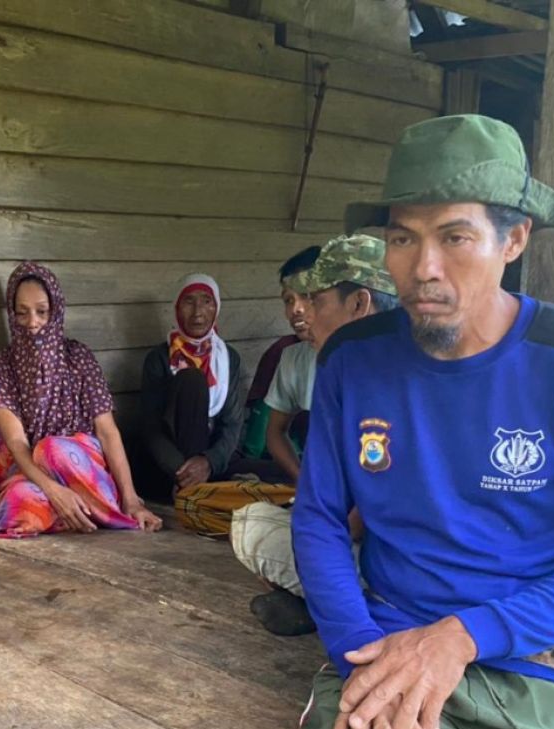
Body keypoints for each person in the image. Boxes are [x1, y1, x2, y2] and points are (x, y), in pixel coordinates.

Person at [294, 114, 554, 729]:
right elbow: (319, 516)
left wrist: (464, 636)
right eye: (403, 238)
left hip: (537, 660)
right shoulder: (353, 359)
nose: (423, 269)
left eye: (455, 236)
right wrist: (356, 650)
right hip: (387, 643)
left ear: (515, 238)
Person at [233, 234, 396, 637]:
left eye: (315, 301)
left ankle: (335, 604)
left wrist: (328, 528)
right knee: (258, 519)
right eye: (292, 300)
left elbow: (373, 502)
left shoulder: (385, 378)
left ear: (359, 304)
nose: (302, 313)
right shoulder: (349, 368)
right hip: (380, 541)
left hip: (403, 567)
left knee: (257, 530)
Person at [0, 261, 162, 538]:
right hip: (28, 470)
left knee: (52, 449)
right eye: (22, 313)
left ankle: (112, 510)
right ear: (11, 314)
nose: (32, 323)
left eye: (42, 312)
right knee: (19, 504)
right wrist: (54, 491)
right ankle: (85, 509)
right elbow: (17, 443)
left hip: (77, 463)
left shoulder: (78, 358)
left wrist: (131, 499)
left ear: (56, 311)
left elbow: (107, 431)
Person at [136, 274, 244, 500]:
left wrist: (209, 462)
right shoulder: (159, 358)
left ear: (217, 308)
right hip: (169, 469)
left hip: (210, 466)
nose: (198, 312)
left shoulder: (228, 359)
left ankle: (201, 491)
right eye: (189, 302)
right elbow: (151, 428)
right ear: (177, 308)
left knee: (278, 474)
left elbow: (232, 424)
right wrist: (183, 472)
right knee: (192, 380)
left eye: (206, 301)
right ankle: (195, 492)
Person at [241, 246, 320, 463]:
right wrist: (302, 480)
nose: (296, 309)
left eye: (305, 295)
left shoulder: (369, 357)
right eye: (288, 300)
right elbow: (274, 432)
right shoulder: (290, 356)